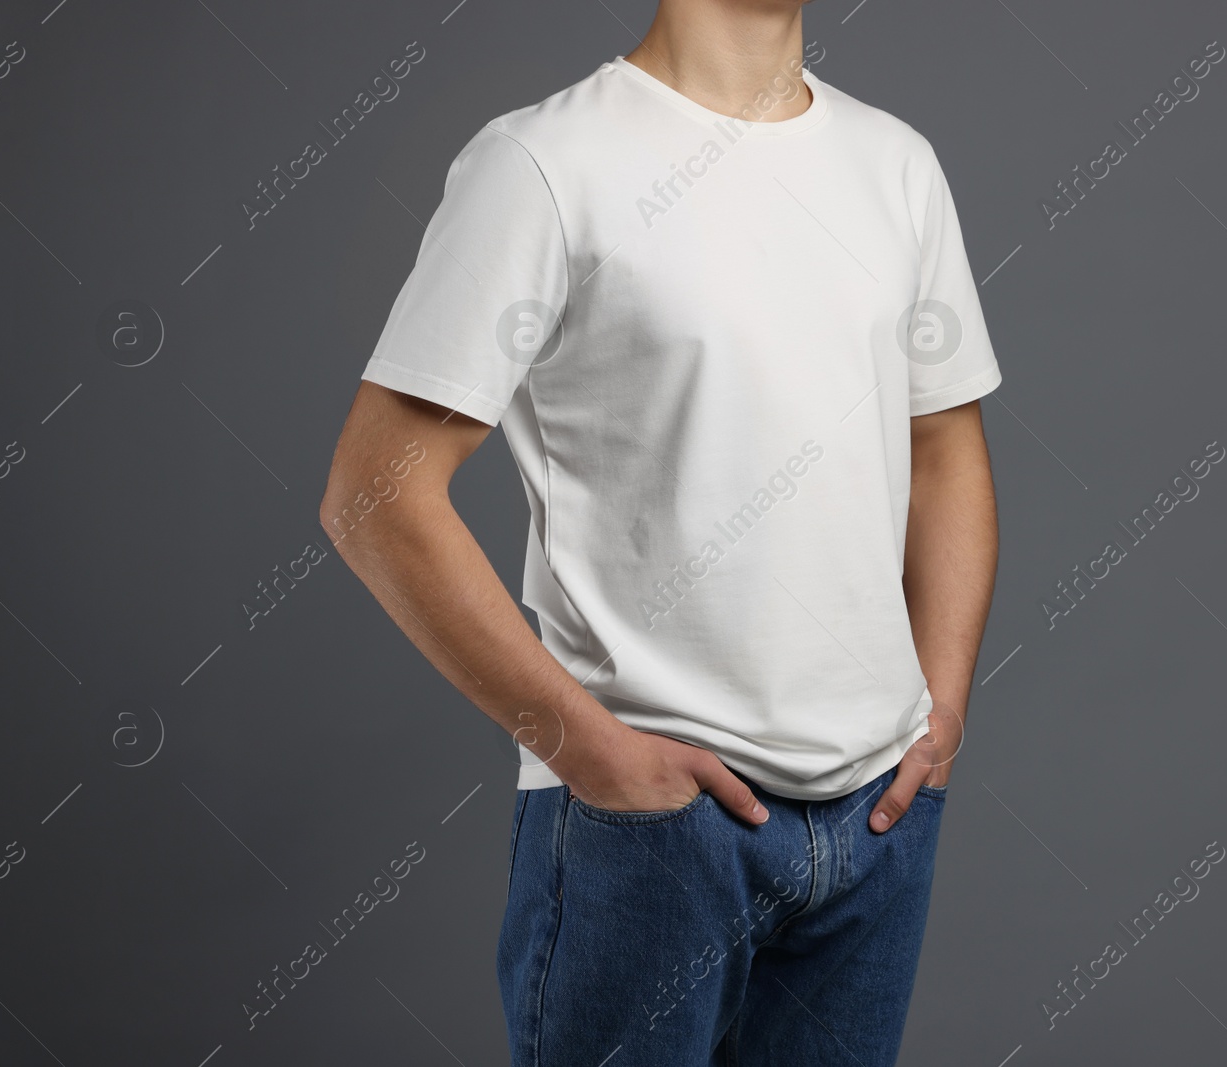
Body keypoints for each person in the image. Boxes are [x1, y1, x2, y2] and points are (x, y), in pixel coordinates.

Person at [320, 1, 1000, 1062]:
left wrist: (941, 705)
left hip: (878, 816)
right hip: (650, 825)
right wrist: (587, 750)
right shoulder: (544, 164)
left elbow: (946, 446)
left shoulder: (895, 164)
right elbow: (375, 494)